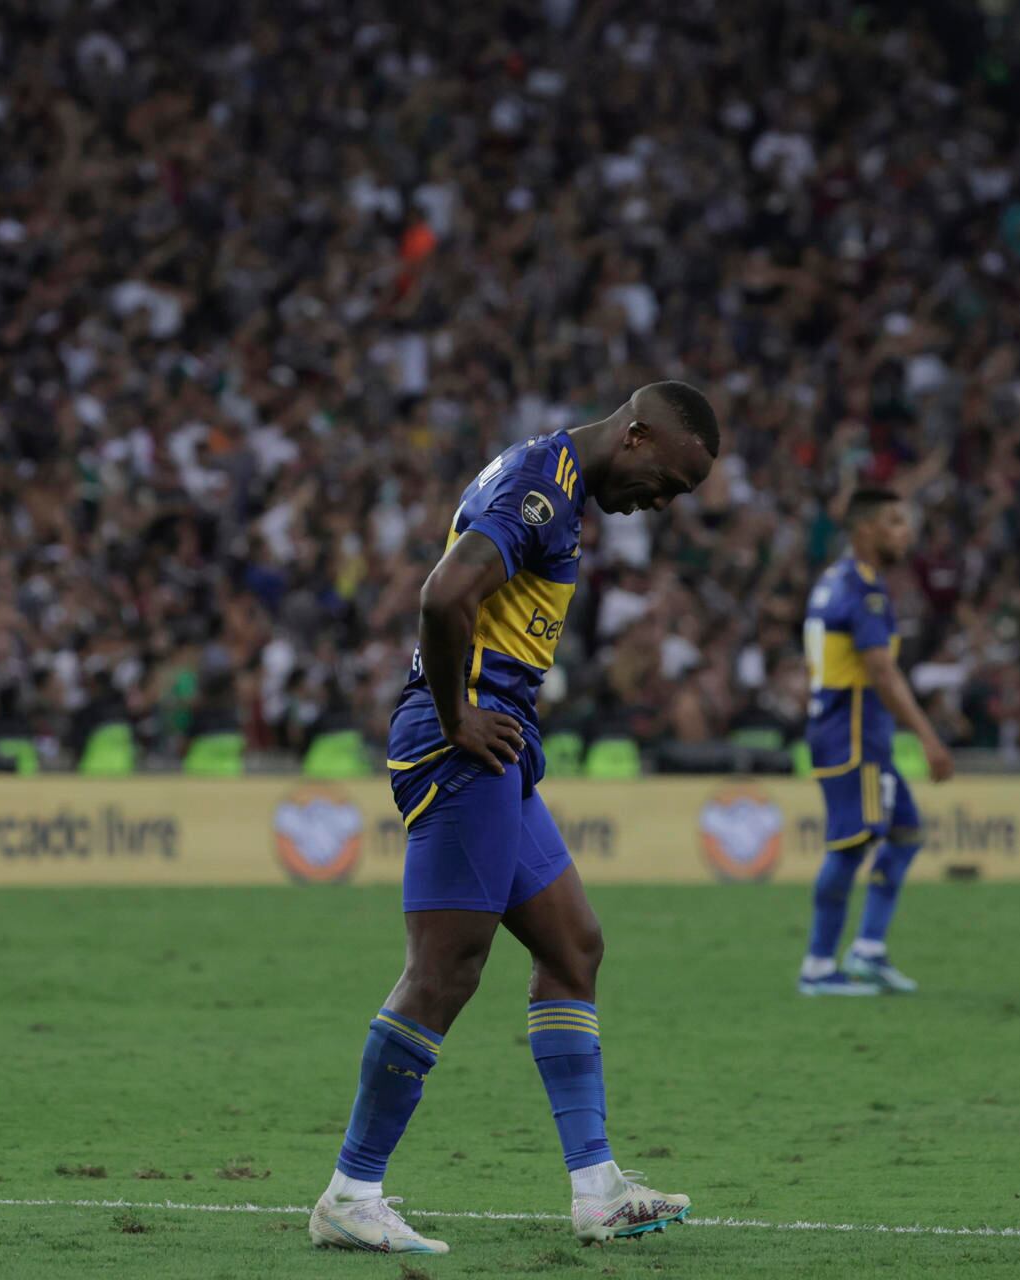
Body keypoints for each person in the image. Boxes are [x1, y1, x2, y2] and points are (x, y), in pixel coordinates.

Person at [308, 382, 719, 1255]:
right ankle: (351, 1189)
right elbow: (442, 595)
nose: (661, 504)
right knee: (447, 967)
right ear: (638, 435)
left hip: (498, 738)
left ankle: (597, 1187)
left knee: (573, 946)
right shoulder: (542, 488)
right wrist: (458, 715)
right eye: (669, 483)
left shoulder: (558, 482)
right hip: (465, 737)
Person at [797, 489, 954, 996]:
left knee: (905, 831)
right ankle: (819, 967)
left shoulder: (836, 581)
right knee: (851, 845)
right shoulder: (862, 592)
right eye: (893, 521)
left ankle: (867, 951)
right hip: (854, 733)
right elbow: (883, 675)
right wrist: (930, 739)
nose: (904, 531)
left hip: (857, 733)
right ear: (864, 530)